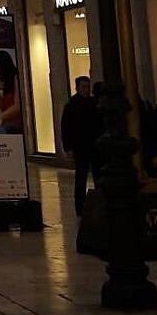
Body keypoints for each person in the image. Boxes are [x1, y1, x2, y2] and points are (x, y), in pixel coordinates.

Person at [60, 76, 102, 216]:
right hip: (80, 146)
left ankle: (99, 200)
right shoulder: (72, 105)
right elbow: (66, 128)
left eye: (87, 87)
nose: (86, 90)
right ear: (77, 88)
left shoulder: (94, 103)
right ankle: (80, 205)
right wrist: (68, 147)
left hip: (93, 145)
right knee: (81, 176)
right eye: (83, 87)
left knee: (97, 174)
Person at [0, 50, 21, 134]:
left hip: (17, 125)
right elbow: (4, 109)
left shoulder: (16, 78)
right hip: (8, 124)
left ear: (1, 63)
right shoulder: (5, 82)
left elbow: (18, 107)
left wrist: (0, 117)